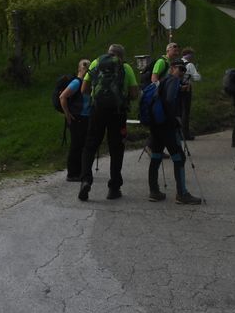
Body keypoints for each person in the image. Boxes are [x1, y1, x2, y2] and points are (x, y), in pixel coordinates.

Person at [79, 44, 139, 202]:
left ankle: (85, 180)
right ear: (122, 56)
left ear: (108, 53)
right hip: (118, 113)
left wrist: (96, 95)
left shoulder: (95, 63)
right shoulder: (125, 67)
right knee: (116, 149)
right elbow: (134, 94)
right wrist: (124, 96)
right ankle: (114, 188)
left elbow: (83, 89)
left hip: (97, 111)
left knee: (90, 146)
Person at [145, 60, 202, 204]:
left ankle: (154, 192)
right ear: (171, 68)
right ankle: (182, 194)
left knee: (156, 156)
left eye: (184, 70)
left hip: (156, 124)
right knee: (179, 157)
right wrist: (176, 119)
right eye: (179, 68)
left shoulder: (162, 81)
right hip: (167, 126)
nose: (182, 72)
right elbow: (169, 100)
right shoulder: (174, 81)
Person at [59, 58, 92, 182]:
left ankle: (80, 171)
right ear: (79, 69)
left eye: (88, 67)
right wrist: (67, 114)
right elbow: (62, 97)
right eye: (84, 67)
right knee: (76, 145)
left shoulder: (87, 83)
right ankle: (73, 173)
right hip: (77, 117)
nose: (86, 70)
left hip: (85, 117)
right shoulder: (76, 83)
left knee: (82, 145)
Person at [179, 46, 202, 140]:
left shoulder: (178, 62)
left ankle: (178, 133)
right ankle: (185, 134)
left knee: (179, 111)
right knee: (185, 112)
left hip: (177, 88)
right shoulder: (190, 65)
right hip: (186, 89)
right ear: (189, 55)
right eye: (192, 55)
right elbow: (197, 78)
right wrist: (198, 73)